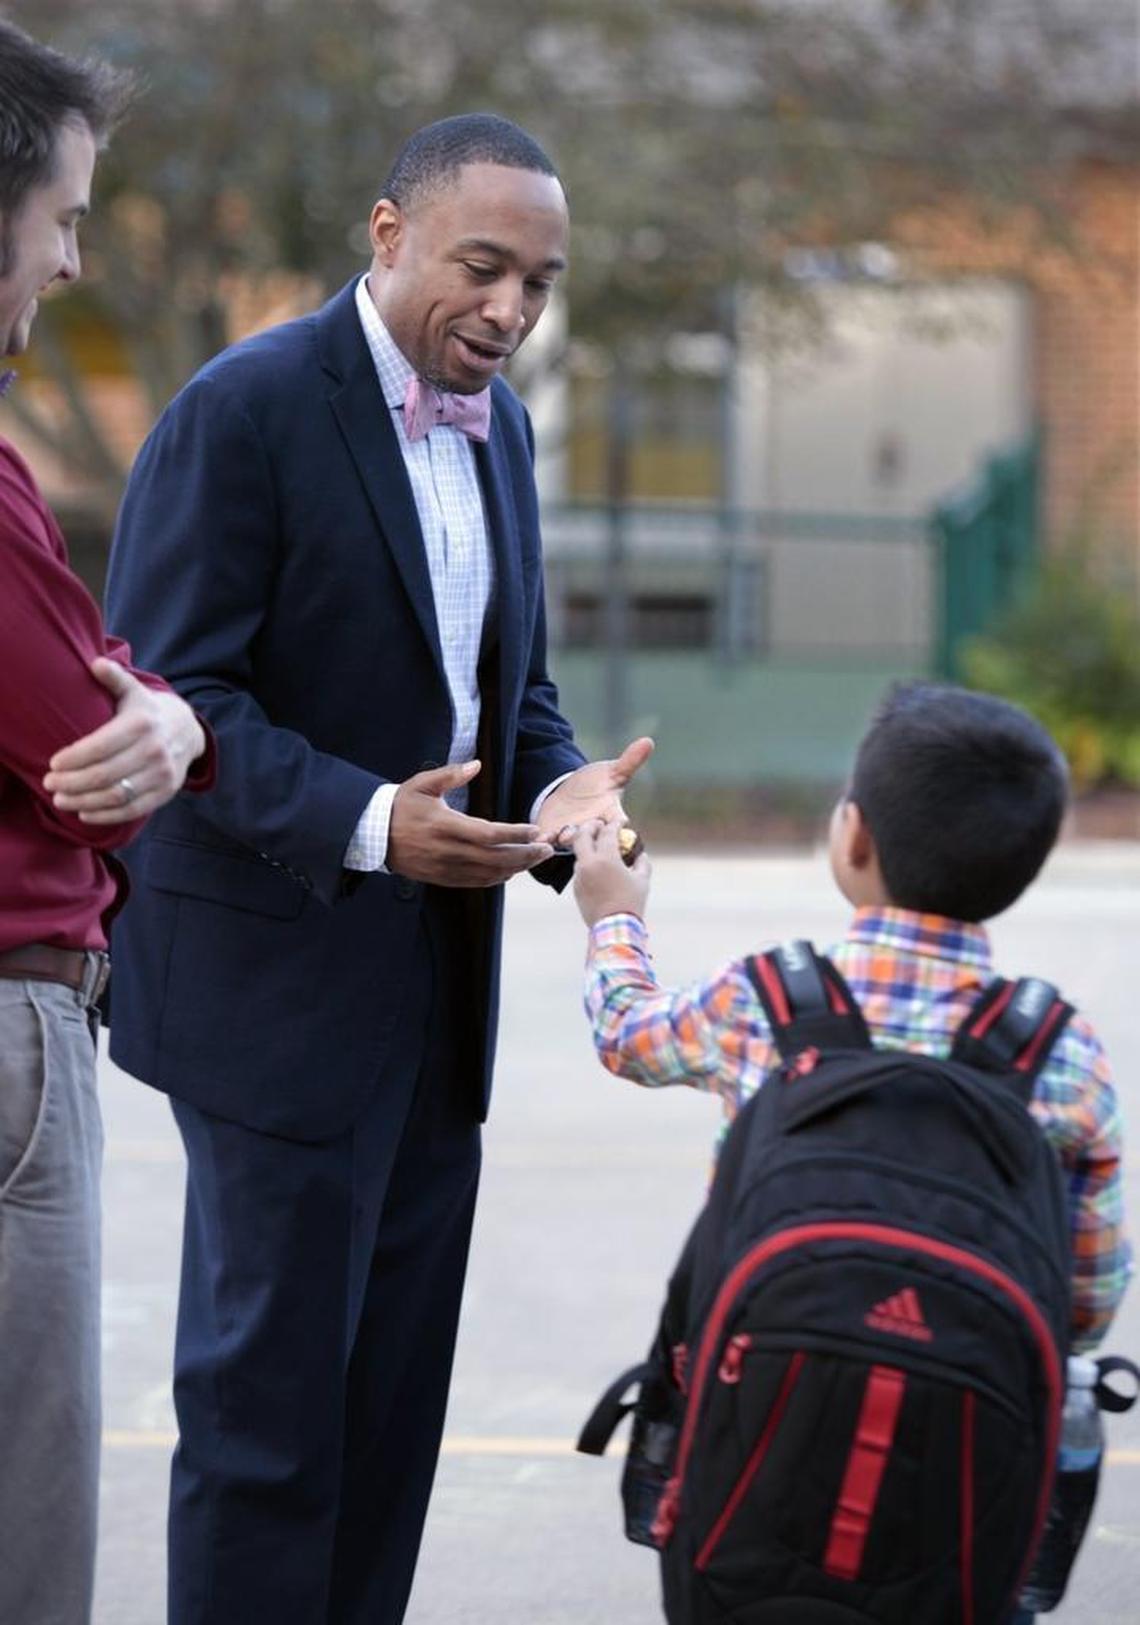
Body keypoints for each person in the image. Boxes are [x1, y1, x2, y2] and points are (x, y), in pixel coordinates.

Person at [103, 112, 652, 1625]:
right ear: (387, 233)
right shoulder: (246, 408)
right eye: (483, 268)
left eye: (540, 284)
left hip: (434, 1008)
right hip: (269, 998)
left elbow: (508, 694)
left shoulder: (509, 430)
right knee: (268, 1425)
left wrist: (572, 805)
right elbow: (172, 699)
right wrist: (371, 821)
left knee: (389, 1421)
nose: (511, 312)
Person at [571, 680, 1130, 1625]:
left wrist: (611, 915)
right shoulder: (1061, 1051)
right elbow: (1085, 1302)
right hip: (962, 1471)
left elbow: (628, 1031)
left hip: (764, 1453)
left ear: (855, 839)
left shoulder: (771, 1000)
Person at [0, 20, 216, 1625]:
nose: (73, 261)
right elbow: (90, 734)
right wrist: (175, 711)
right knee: (24, 1504)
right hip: (12, 1024)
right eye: (65, 217)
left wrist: (157, 706)